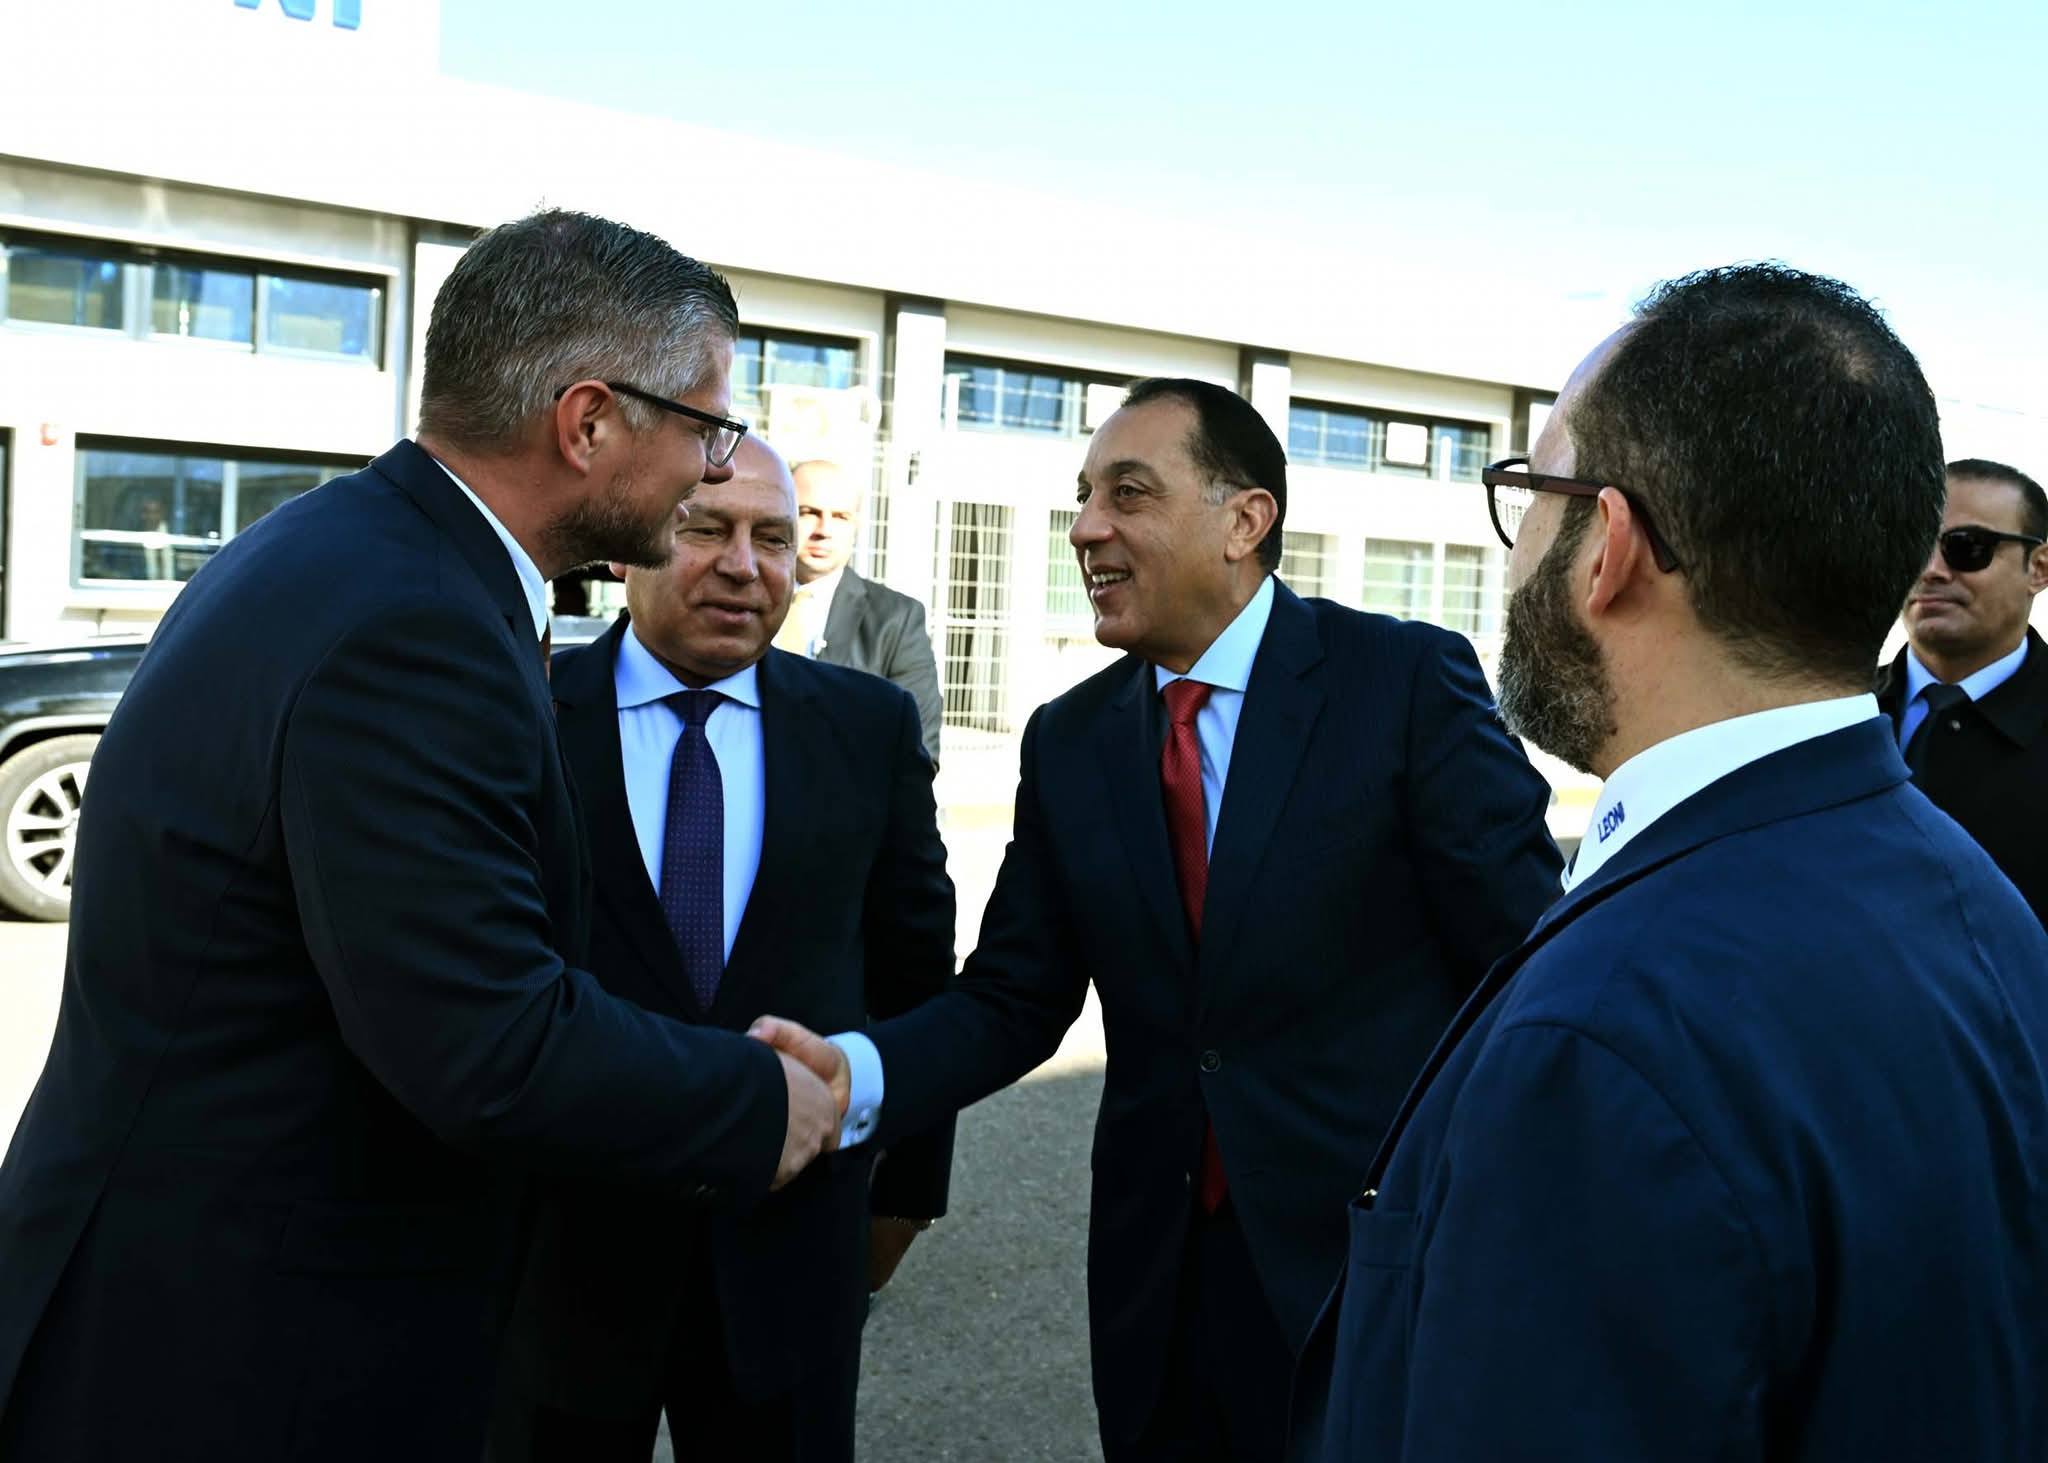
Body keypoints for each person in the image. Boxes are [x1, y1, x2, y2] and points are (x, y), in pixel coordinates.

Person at [0, 210, 843, 1463]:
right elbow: (483, 1037)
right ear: (589, 423)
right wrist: (757, 1098)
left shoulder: (340, 547)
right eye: (706, 426)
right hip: (236, 1357)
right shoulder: (415, 624)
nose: (712, 466)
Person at [1290, 265, 2048, 1462]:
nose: (1514, 548)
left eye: (1531, 492)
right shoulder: (1978, 903)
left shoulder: (1602, 1032)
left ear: (1609, 546)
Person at [758, 378, 1562, 1462]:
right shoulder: (1071, 740)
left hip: (1372, 1267)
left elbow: (1525, 968)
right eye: (1084, 496)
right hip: (1163, 1283)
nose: (1087, 527)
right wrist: (856, 1074)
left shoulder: (1399, 681)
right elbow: (1014, 996)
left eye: (1127, 493)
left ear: (1244, 520)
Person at [492, 436, 956, 1463]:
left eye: (773, 538)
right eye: (704, 528)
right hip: (556, 1271)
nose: (743, 565)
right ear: (627, 546)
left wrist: (903, 1200)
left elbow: (918, 976)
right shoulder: (522, 711)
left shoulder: (867, 728)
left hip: (788, 1269)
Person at [1875, 458, 2048, 923]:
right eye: (1914, 543)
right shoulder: (1829, 709)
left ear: (2039, 567)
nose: (1931, 570)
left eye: (1967, 547)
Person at [773, 457, 943, 765]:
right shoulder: (740, 601)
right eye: (809, 512)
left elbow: (919, 752)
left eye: (840, 517)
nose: (824, 530)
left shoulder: (897, 620)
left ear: (857, 526)